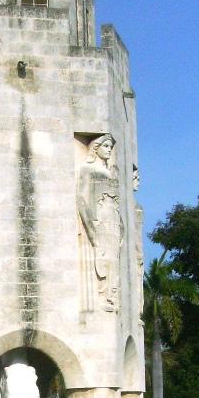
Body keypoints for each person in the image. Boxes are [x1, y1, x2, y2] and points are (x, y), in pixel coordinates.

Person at [76, 133, 123, 311]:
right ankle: (103, 298)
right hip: (99, 222)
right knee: (102, 262)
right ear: (96, 148)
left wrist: (122, 228)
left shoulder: (112, 173)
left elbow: (118, 205)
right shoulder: (87, 170)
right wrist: (92, 230)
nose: (109, 149)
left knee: (113, 263)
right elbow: (81, 199)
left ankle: (111, 297)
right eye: (106, 146)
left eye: (111, 146)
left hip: (113, 226)